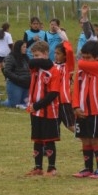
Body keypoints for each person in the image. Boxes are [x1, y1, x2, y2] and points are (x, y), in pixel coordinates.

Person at [72, 40, 98, 179]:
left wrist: (80, 61)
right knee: (85, 139)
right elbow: (76, 89)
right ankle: (88, 168)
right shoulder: (81, 71)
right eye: (84, 57)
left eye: (88, 57)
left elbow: (80, 63)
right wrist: (76, 106)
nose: (84, 60)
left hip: (96, 110)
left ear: (97, 57)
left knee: (95, 140)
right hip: (81, 111)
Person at [24, 41, 62, 177]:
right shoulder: (35, 68)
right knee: (37, 139)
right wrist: (34, 107)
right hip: (35, 111)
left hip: (49, 111)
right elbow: (30, 63)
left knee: (49, 139)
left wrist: (37, 105)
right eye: (33, 55)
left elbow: (53, 94)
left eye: (37, 55)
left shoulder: (54, 71)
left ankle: (52, 168)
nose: (34, 58)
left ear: (46, 54)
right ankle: (38, 167)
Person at [0, 40, 30, 109]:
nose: (25, 49)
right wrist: (18, 78)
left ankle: (11, 100)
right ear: (18, 47)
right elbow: (7, 71)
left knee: (24, 103)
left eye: (26, 47)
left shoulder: (26, 58)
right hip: (15, 83)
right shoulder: (10, 57)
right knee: (13, 105)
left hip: (26, 84)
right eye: (24, 47)